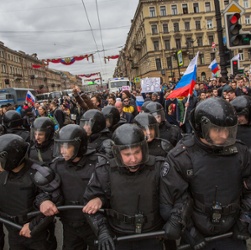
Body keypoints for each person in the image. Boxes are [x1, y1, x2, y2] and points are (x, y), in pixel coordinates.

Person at [162, 97, 251, 250]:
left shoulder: (240, 152)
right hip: (196, 235)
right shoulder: (181, 157)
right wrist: (189, 231)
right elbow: (172, 199)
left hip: (232, 232)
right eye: (217, 130)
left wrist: (245, 219)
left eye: (227, 130)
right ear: (201, 127)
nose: (224, 136)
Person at [83, 124, 181, 250]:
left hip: (152, 235)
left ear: (143, 149)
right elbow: (89, 205)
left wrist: (175, 220)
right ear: (117, 153)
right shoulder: (105, 171)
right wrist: (102, 230)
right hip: (119, 236)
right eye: (127, 154)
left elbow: (180, 196)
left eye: (136, 152)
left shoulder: (159, 167)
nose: (133, 159)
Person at [0, 134, 61, 250]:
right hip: (13, 233)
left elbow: (53, 204)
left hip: (38, 235)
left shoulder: (40, 173)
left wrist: (33, 226)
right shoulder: (2, 173)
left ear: (12, 158)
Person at [50, 124, 103, 250]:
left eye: (67, 146)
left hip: (94, 224)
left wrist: (100, 199)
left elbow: (109, 190)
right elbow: (46, 190)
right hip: (69, 224)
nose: (62, 150)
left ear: (79, 146)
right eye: (61, 146)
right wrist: (45, 200)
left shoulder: (98, 163)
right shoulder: (57, 165)